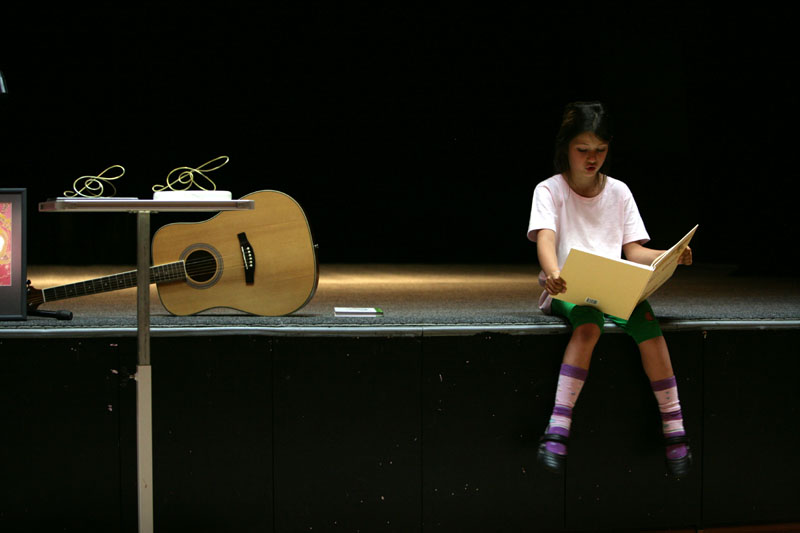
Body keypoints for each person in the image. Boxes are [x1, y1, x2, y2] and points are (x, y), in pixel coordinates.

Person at [527, 101, 693, 477]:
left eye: (600, 150)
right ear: (566, 147)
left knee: (647, 323)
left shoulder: (618, 192)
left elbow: (634, 251)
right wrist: (553, 273)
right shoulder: (549, 190)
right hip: (570, 287)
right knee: (588, 324)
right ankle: (557, 427)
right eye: (583, 149)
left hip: (612, 286)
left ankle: (674, 425)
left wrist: (669, 255)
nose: (592, 158)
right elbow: (546, 239)